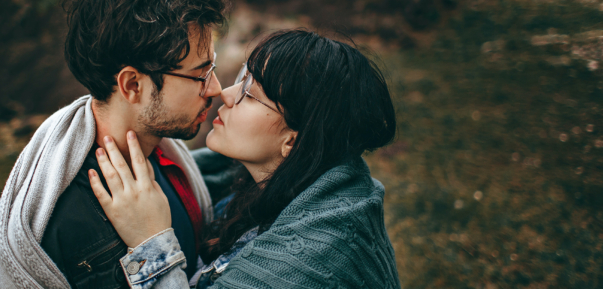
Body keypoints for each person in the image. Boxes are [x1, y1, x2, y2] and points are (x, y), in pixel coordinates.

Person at [0, 0, 229, 289]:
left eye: (213, 68)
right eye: (199, 75)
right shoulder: (72, 220)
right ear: (132, 85)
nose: (216, 88)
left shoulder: (167, 158)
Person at [89, 29, 402, 288]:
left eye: (251, 94)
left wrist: (151, 241)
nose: (225, 94)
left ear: (293, 140)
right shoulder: (261, 187)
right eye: (243, 76)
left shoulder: (309, 263)